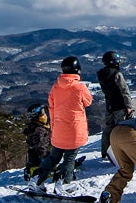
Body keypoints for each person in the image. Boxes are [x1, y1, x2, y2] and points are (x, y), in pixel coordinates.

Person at [36, 56, 93, 191]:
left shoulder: (56, 87)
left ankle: (36, 180)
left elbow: (51, 104)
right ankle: (64, 184)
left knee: (54, 156)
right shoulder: (79, 88)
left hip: (58, 128)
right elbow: (88, 101)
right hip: (74, 129)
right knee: (69, 157)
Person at [97, 50, 135, 161]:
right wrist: (129, 106)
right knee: (121, 129)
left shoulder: (101, 74)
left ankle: (105, 152)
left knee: (109, 128)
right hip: (120, 105)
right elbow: (124, 91)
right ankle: (121, 152)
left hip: (109, 105)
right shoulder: (117, 74)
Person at [22, 103, 51, 181]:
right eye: (42, 113)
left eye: (45, 112)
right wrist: (46, 160)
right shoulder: (38, 130)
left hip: (35, 158)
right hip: (39, 159)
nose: (45, 115)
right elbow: (40, 146)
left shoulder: (38, 127)